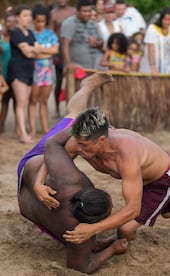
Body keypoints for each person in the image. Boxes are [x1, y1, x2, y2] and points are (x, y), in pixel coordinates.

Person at [37, 97, 170, 246]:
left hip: (164, 178)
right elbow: (55, 155)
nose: (77, 148)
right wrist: (39, 183)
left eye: (84, 145)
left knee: (126, 228)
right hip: (141, 177)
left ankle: (121, 248)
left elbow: (132, 209)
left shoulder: (126, 153)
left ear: (101, 140)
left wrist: (93, 229)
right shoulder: (80, 141)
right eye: (77, 142)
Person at [18, 72, 128, 274]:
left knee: (74, 117)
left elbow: (53, 144)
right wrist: (112, 250)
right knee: (75, 115)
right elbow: (82, 267)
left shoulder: (68, 180)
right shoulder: (79, 236)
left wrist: (37, 183)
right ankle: (87, 86)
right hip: (29, 198)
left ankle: (84, 94)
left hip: (30, 168)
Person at [8, 4, 39, 144]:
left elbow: (39, 51)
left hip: (29, 70)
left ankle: (20, 130)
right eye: (25, 16)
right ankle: (23, 134)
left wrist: (33, 49)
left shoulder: (31, 33)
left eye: (29, 16)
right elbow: (28, 52)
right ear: (17, 17)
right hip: (17, 70)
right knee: (21, 102)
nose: (28, 19)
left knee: (25, 102)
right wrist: (34, 50)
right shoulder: (15, 32)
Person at [29, 5, 59, 137]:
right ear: (33, 20)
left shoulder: (51, 34)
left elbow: (55, 50)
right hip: (33, 71)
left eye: (43, 21)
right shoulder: (29, 34)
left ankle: (45, 128)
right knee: (33, 100)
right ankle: (33, 130)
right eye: (38, 21)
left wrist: (39, 50)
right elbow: (30, 53)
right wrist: (46, 52)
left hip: (47, 71)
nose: (40, 24)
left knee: (44, 100)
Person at [48, 0, 76, 117]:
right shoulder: (53, 14)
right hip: (59, 51)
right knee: (59, 81)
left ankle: (73, 109)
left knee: (75, 80)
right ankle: (57, 108)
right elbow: (51, 33)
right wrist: (53, 54)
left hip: (73, 50)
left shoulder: (74, 12)